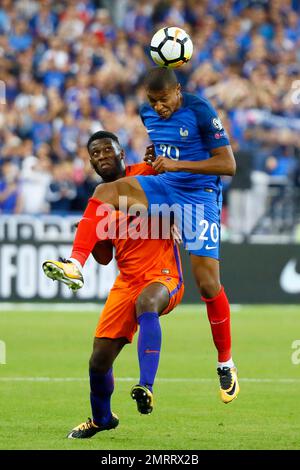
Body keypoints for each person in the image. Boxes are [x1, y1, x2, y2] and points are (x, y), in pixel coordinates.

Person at [43, 66, 239, 405]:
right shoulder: (147, 113)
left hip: (200, 194)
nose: (159, 107)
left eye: (163, 101)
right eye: (153, 101)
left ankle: (225, 361)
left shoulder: (201, 110)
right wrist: (159, 158)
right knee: (104, 193)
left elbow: (228, 165)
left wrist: (178, 165)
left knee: (208, 283)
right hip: (165, 187)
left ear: (178, 91)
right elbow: (164, 148)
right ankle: (74, 264)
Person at [43, 130, 184, 439]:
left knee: (147, 303)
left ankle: (145, 386)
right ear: (91, 162)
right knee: (98, 361)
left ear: (122, 153)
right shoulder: (100, 199)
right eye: (95, 154)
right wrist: (93, 235)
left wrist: (174, 212)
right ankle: (101, 419)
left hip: (163, 275)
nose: (102, 156)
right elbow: (106, 258)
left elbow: (178, 184)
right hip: (127, 282)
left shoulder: (146, 171)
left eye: (108, 150)